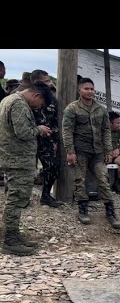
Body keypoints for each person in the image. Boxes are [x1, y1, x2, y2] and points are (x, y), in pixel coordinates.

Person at [0, 82, 54, 255]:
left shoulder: (9, 100)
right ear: (37, 96)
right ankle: (10, 240)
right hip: (18, 159)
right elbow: (23, 132)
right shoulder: (18, 104)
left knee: (15, 198)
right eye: (41, 104)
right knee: (16, 199)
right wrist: (39, 129)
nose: (40, 107)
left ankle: (14, 235)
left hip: (14, 157)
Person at [61, 77, 120, 229]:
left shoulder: (100, 110)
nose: (90, 91)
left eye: (92, 89)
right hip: (80, 151)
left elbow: (106, 131)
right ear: (79, 90)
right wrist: (70, 151)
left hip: (98, 152)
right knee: (79, 180)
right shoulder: (72, 108)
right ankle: (83, 210)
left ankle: (110, 211)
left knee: (103, 180)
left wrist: (108, 150)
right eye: (86, 88)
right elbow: (67, 131)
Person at [30, 69, 64, 208]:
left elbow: (55, 120)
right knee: (24, 171)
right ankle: (19, 197)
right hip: (28, 138)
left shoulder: (51, 99)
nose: (50, 83)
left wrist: (55, 140)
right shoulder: (26, 97)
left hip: (45, 140)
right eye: (46, 81)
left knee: (53, 165)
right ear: (37, 82)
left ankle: (45, 196)